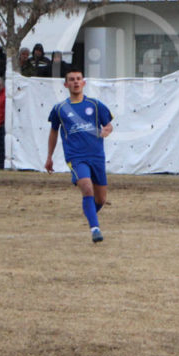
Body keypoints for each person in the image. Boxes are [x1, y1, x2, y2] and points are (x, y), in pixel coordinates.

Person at [45, 68, 114, 243]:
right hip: (75, 157)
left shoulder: (95, 105)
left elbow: (109, 125)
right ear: (66, 84)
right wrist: (49, 157)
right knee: (86, 187)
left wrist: (106, 130)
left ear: (83, 83)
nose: (75, 82)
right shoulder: (60, 108)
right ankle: (95, 229)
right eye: (72, 79)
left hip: (96, 156)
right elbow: (53, 132)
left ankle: (90, 215)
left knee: (101, 199)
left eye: (78, 79)